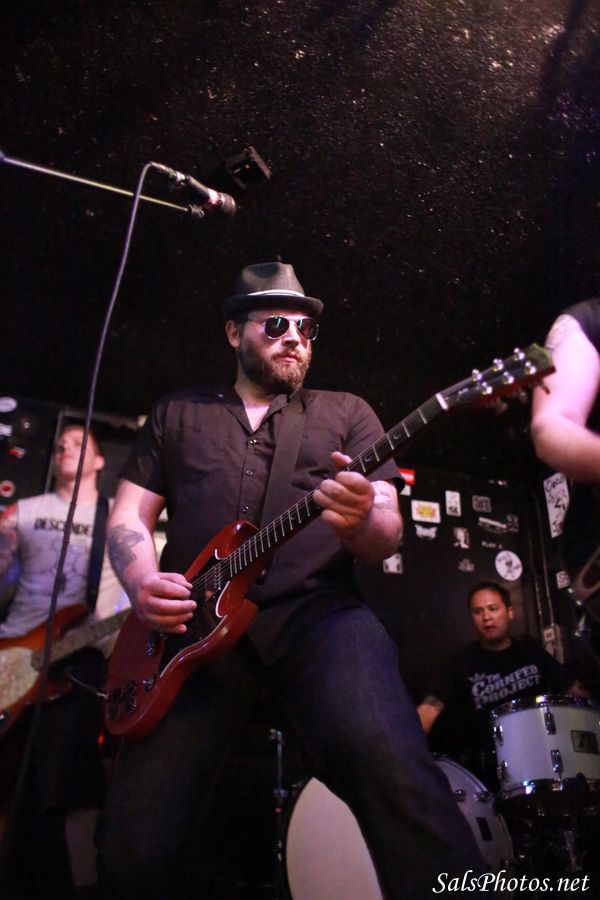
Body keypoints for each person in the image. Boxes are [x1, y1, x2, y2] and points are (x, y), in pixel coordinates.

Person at [97, 262, 486, 900]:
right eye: (276, 324)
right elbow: (128, 516)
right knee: (134, 842)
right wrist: (141, 581)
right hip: (193, 639)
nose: (294, 339)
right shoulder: (176, 413)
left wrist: (363, 519)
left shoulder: (347, 412)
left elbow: (386, 528)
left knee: (396, 772)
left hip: (317, 619)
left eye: (306, 329)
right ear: (234, 332)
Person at [0, 425, 126, 899]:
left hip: (79, 660)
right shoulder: (23, 511)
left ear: (99, 461)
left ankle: (83, 889)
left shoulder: (116, 517)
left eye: (79, 443)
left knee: (73, 787)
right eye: (61, 444)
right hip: (11, 654)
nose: (66, 447)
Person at [416, 580, 583, 789]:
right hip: (493, 770)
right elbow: (429, 709)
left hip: (545, 757)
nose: (486, 617)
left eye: (493, 609)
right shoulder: (461, 664)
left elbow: (572, 690)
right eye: (478, 612)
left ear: (509, 612)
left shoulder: (530, 652)